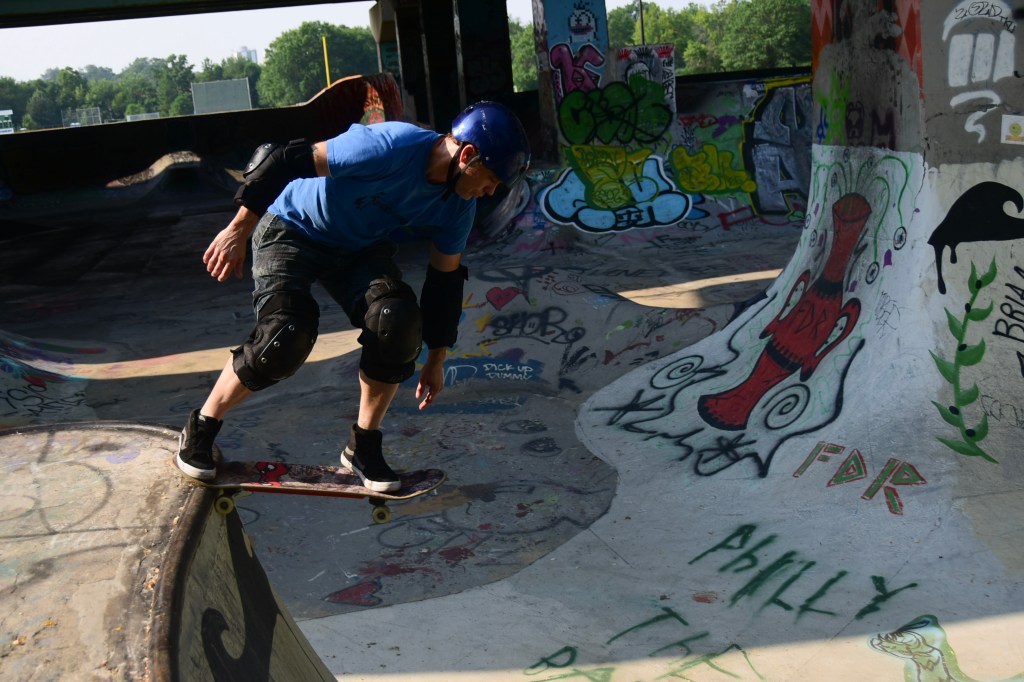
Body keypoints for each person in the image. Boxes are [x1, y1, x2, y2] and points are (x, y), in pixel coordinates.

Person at [175, 101, 530, 492]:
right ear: (467, 155)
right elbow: (281, 159)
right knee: (286, 332)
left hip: (358, 249)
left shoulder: (458, 206)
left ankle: (363, 447)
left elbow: (444, 282)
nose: (490, 192)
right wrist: (239, 228)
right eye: (491, 179)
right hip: (292, 227)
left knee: (397, 320)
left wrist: (436, 357)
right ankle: (202, 426)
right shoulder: (388, 146)